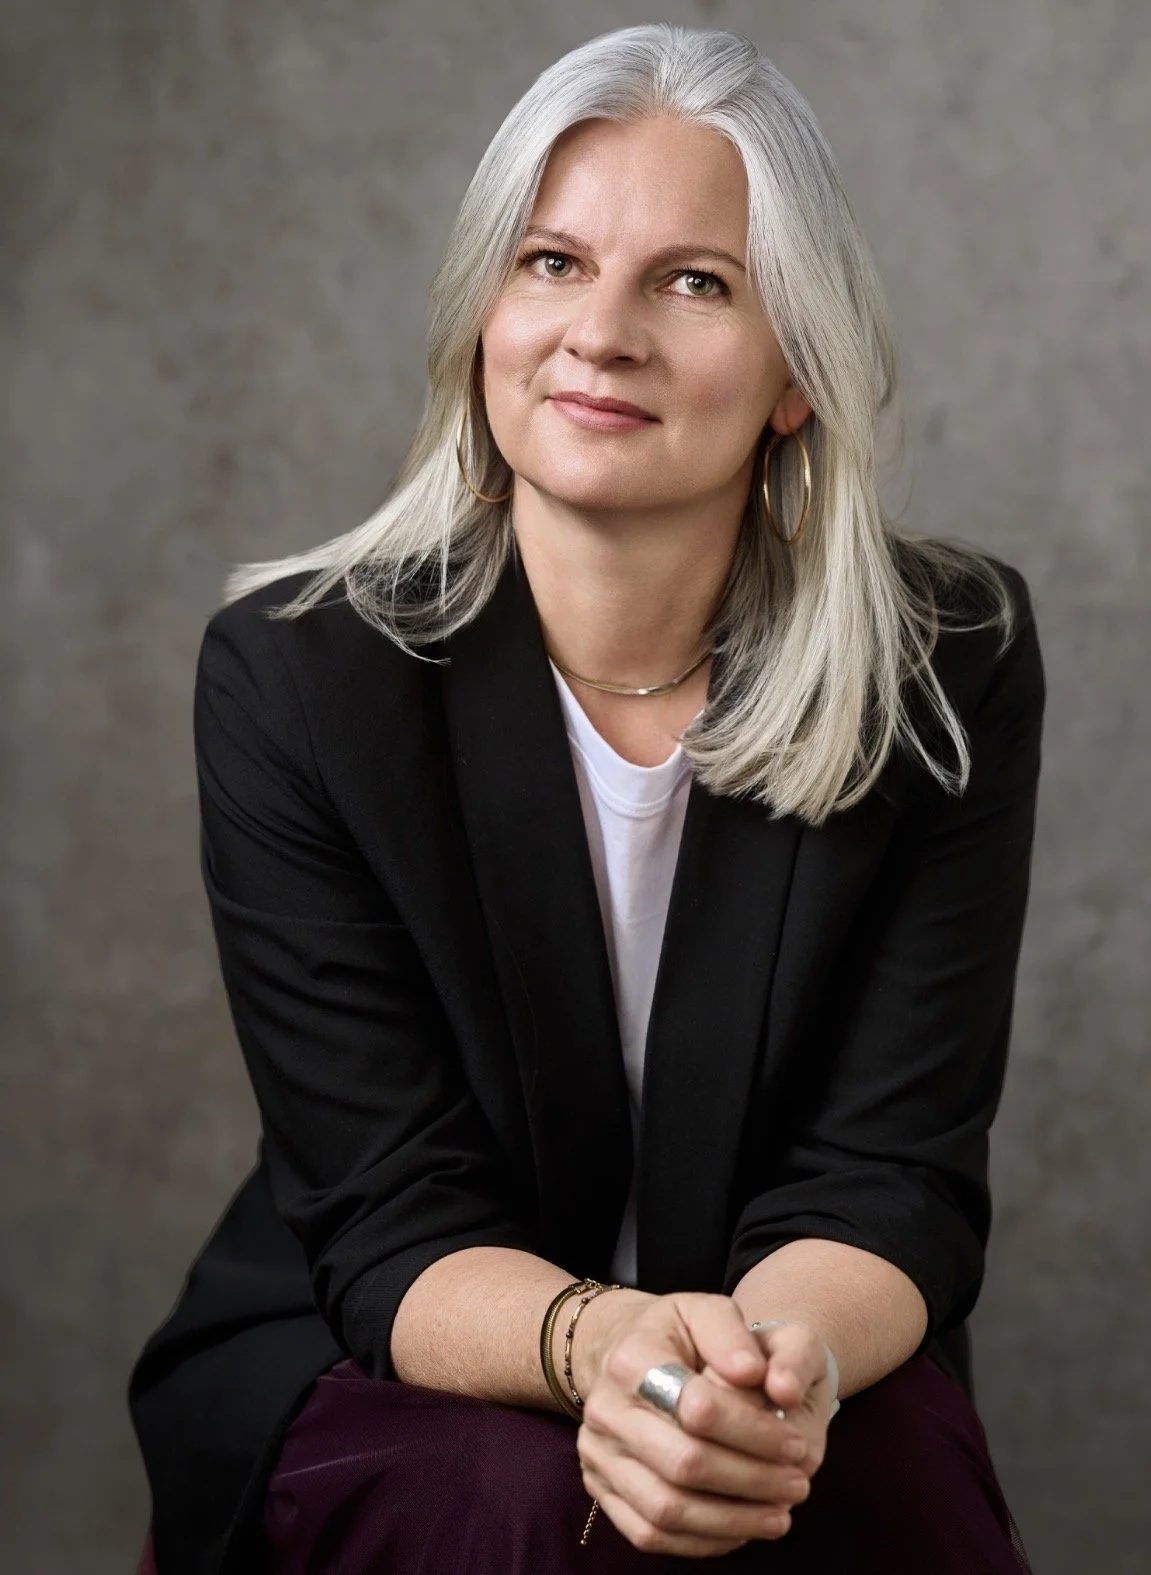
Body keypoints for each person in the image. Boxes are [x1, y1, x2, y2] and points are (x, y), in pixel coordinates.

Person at [129, 23, 1044, 1575]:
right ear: (482, 314)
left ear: (794, 377)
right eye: (550, 262)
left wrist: (759, 1377)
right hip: (400, 1350)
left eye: (694, 282)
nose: (599, 332)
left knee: (867, 1480)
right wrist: (610, 1349)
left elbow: (889, 1172)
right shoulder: (297, 680)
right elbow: (386, 1209)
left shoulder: (946, 666)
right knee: (532, 1508)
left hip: (782, 1332)